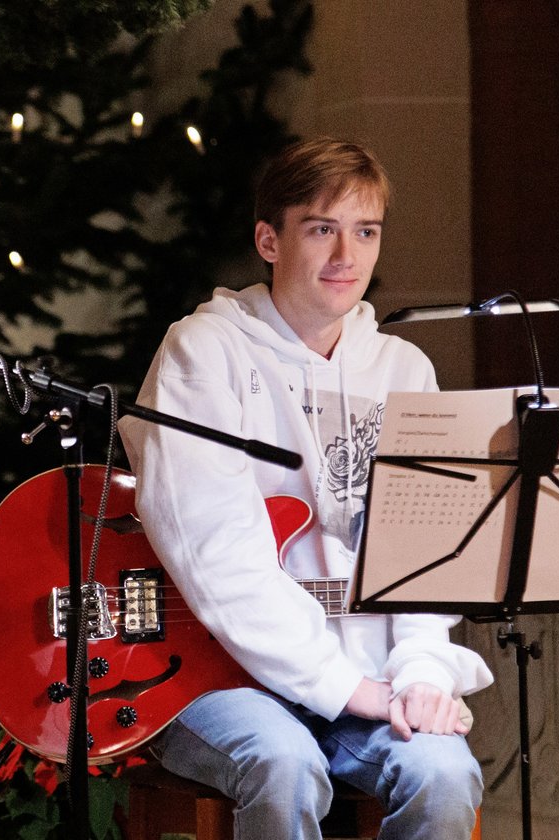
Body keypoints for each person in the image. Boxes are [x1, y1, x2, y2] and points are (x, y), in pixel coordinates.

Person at [118, 137, 494, 839]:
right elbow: (215, 553)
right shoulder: (205, 351)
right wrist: (347, 689)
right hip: (217, 675)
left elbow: (424, 561)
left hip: (370, 676)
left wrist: (420, 675)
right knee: (284, 763)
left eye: (366, 231)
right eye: (322, 229)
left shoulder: (404, 370)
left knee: (444, 776)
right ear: (269, 239)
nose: (347, 255)